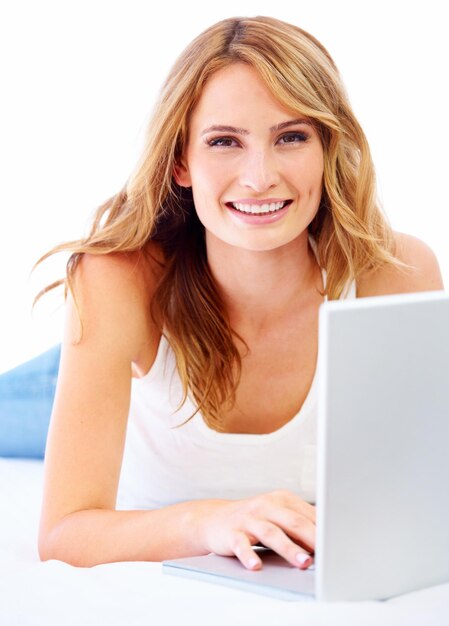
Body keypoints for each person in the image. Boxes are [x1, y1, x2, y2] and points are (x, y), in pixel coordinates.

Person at [28, 15, 443, 571]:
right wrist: (210, 520)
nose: (259, 177)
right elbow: (63, 533)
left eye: (291, 137)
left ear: (328, 149)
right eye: (225, 141)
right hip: (100, 358)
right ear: (181, 162)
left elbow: (422, 496)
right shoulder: (114, 281)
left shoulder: (395, 272)